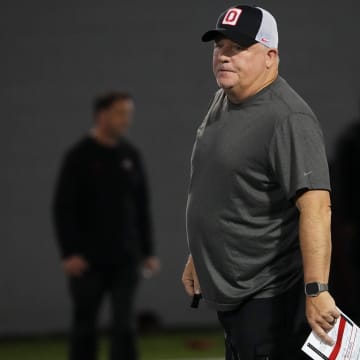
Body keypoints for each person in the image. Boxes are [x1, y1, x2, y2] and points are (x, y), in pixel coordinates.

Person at [182, 5, 339, 359]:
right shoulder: (225, 99)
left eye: (237, 48)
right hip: (235, 292)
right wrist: (201, 255)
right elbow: (222, 186)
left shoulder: (288, 118)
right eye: (219, 46)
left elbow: (316, 208)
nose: (224, 56)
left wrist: (317, 290)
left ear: (270, 57)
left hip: (267, 298)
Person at [53, 92, 160, 360]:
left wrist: (148, 252)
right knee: (85, 325)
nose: (127, 119)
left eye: (128, 113)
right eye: (121, 113)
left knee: (124, 326)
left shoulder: (130, 156)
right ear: (102, 115)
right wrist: (70, 253)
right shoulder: (79, 157)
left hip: (125, 258)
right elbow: (63, 209)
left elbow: (141, 207)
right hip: (87, 260)